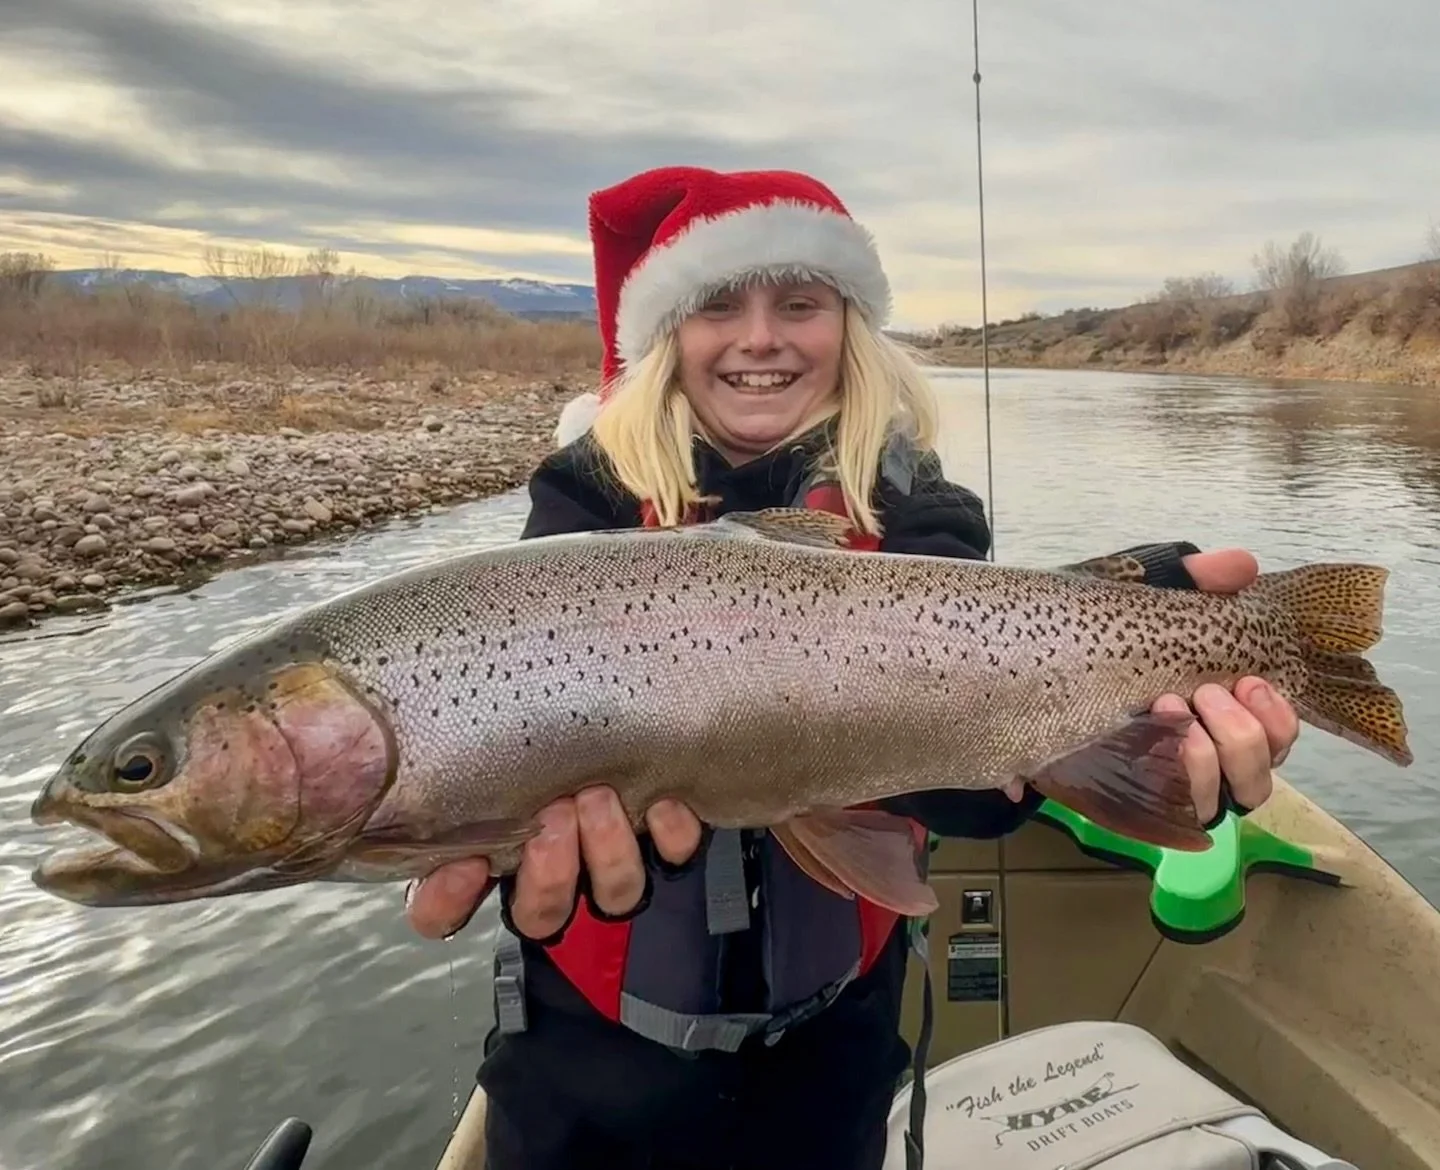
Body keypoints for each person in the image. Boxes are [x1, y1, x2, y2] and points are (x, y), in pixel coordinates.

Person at [405, 165, 1301, 1169]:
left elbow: (982, 796)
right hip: (583, 1065)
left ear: (849, 327)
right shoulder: (584, 502)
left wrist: (1157, 747)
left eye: (799, 303)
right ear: (666, 335)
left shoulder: (919, 509)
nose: (759, 337)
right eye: (716, 306)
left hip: (830, 1059)